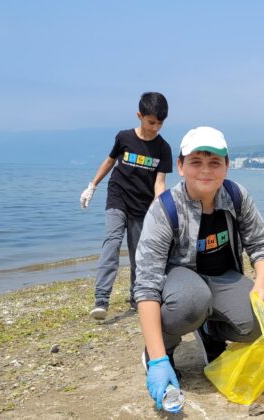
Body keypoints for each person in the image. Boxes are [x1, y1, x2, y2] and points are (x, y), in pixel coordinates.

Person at [133, 126, 264, 410]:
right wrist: (158, 360)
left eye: (215, 163)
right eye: (196, 162)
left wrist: (260, 285)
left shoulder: (236, 196)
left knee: (260, 322)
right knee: (191, 301)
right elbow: (146, 285)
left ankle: (211, 333)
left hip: (223, 277)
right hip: (181, 285)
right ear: (181, 166)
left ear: (227, 166)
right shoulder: (165, 209)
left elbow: (261, 245)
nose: (206, 171)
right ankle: (162, 350)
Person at [81, 92, 172, 320]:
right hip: (118, 196)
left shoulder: (163, 148)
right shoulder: (124, 137)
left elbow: (159, 182)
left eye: (160, 123)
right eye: (151, 122)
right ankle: (101, 299)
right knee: (111, 243)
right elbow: (110, 161)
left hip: (142, 205)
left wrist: (158, 207)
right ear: (139, 116)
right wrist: (92, 185)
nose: (155, 127)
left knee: (138, 254)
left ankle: (136, 296)